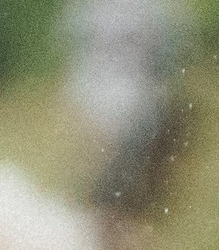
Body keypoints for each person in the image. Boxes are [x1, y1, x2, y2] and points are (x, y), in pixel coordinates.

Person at [63, 0, 190, 216]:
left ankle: (110, 210)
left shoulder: (89, 8)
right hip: (114, 97)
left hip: (116, 97)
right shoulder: (154, 9)